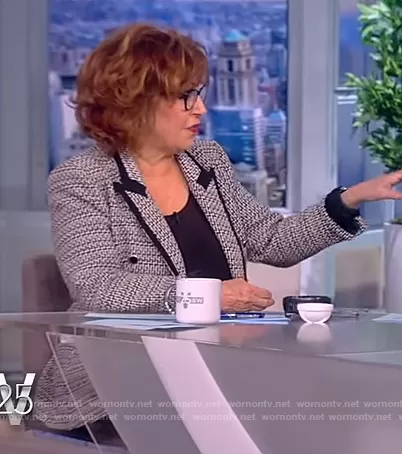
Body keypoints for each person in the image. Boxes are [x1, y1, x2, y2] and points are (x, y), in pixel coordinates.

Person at [34, 23, 402, 436]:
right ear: (135, 101)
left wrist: (348, 200)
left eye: (199, 93)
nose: (200, 109)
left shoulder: (206, 161)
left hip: (220, 367)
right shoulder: (82, 179)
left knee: (342, 410)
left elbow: (272, 240)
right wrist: (208, 295)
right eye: (184, 96)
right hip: (118, 383)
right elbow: (98, 287)